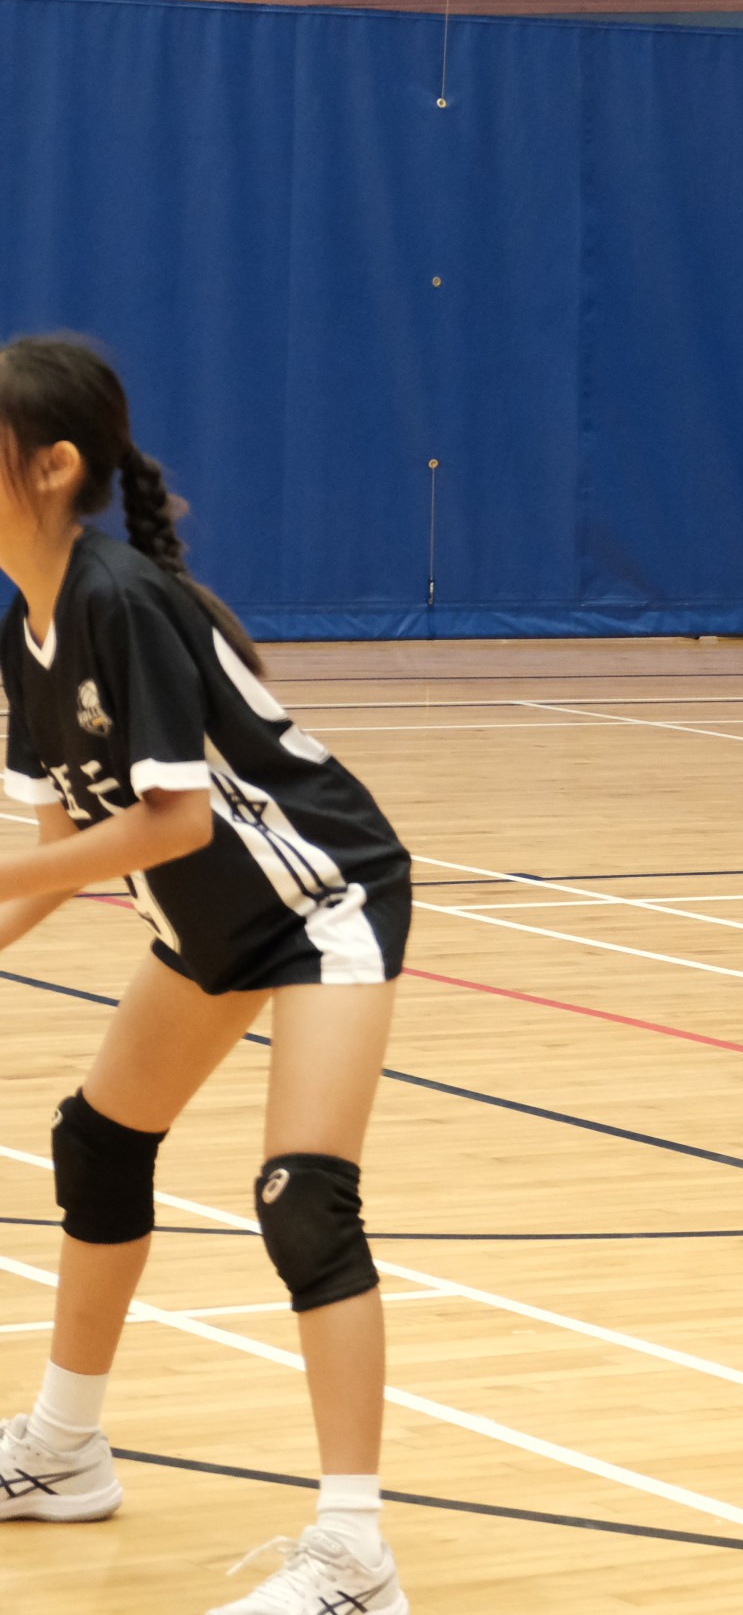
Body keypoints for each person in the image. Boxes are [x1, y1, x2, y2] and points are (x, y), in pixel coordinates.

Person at [0, 336, 412, 1615]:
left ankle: (355, 1557)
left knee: (303, 1200)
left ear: (52, 466)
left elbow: (172, 823)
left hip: (322, 898)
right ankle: (64, 1450)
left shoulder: (120, 597)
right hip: (211, 923)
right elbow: (61, 846)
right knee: (97, 1144)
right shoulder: (26, 625)